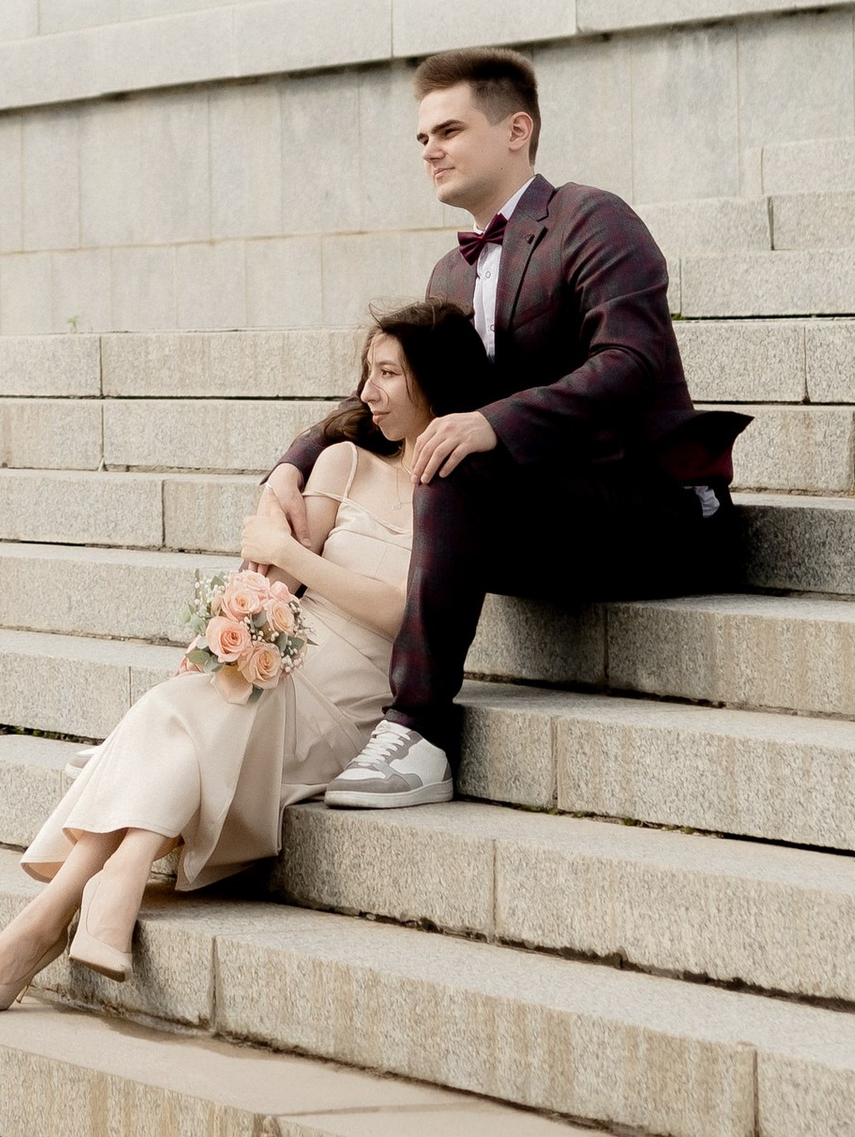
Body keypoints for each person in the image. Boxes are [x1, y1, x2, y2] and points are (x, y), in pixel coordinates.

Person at [0, 300, 491, 1007]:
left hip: (350, 704)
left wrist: (292, 552)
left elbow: (406, 612)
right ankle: (91, 894)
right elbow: (276, 581)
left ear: (433, 381)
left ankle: (55, 915)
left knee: (194, 712)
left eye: (388, 373)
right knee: (202, 695)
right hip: (286, 664)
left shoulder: (456, 492)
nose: (368, 392)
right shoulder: (345, 462)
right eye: (368, 372)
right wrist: (238, 612)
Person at [276, 45, 717, 813]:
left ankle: (418, 731)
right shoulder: (449, 275)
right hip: (539, 513)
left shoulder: (592, 219)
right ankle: (234, 705)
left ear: (517, 129)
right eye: (422, 137)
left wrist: (492, 421)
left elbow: (634, 360)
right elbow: (387, 393)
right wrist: (292, 462)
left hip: (649, 506)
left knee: (452, 458)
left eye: (449, 130)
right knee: (385, 464)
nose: (430, 150)